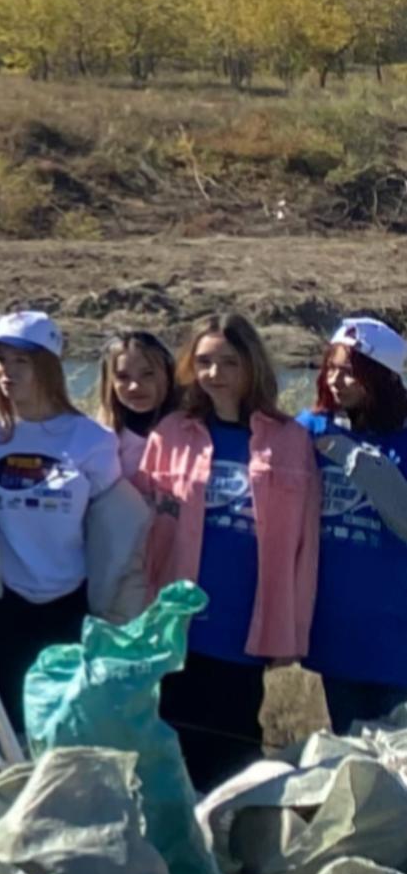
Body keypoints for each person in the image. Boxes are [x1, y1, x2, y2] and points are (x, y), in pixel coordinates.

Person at [137, 311, 318, 793]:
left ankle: (227, 856)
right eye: (204, 362)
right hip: (175, 624)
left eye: (228, 362)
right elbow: (143, 529)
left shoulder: (289, 438)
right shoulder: (173, 432)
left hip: (246, 621)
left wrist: (291, 633)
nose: (215, 374)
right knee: (170, 748)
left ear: (252, 365)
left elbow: (305, 545)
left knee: (234, 754)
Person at [0, 309, 149, 722]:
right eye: (1, 358)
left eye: (22, 360)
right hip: (1, 604)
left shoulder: (91, 439)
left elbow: (114, 531)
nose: (7, 371)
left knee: (62, 729)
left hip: (69, 605)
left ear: (49, 366)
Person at [301, 316, 407, 734]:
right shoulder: (312, 431)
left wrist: (368, 470)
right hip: (339, 634)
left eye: (350, 371)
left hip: (397, 639)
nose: (336, 380)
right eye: (331, 367)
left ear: (382, 376)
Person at [101, 326, 181, 472]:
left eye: (148, 374)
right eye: (123, 377)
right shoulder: (98, 439)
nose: (134, 386)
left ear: (168, 374)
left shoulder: (194, 431)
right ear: (110, 383)